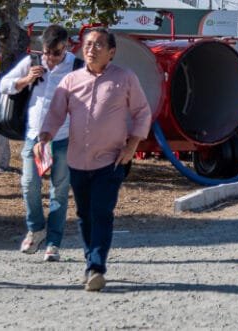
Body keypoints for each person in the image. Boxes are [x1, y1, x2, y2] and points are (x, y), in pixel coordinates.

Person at [39, 28, 153, 291]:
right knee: (85, 214)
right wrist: (44, 138)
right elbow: (55, 114)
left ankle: (96, 267)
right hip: (77, 160)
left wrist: (132, 146)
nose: (91, 49)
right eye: (88, 44)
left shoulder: (124, 78)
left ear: (111, 52)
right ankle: (91, 260)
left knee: (102, 212)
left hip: (111, 160)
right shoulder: (70, 81)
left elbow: (142, 112)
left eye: (99, 45)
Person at [0, 25, 82, 262]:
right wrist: (26, 79)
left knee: (59, 190)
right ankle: (36, 229)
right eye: (47, 52)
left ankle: (53, 243)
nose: (51, 58)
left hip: (62, 137)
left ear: (66, 47)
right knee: (28, 184)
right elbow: (4, 85)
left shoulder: (76, 66)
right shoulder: (33, 62)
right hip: (34, 136)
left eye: (57, 53)